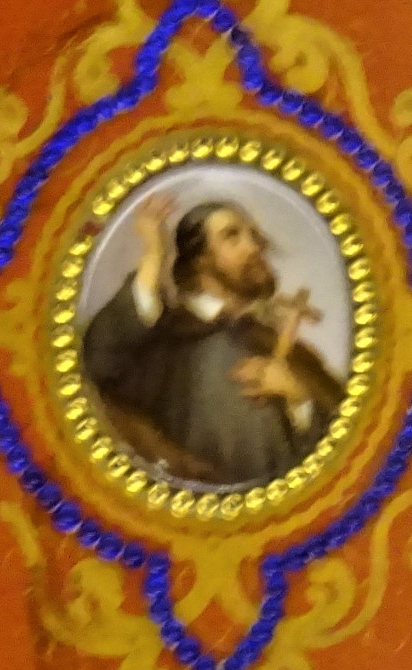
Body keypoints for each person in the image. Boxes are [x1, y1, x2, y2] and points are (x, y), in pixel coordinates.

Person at [82, 194, 345, 487]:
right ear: (200, 261)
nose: (254, 247)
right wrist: (154, 256)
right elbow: (97, 362)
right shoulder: (165, 343)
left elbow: (336, 453)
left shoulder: (272, 343)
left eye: (253, 236)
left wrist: (299, 398)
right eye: (232, 236)